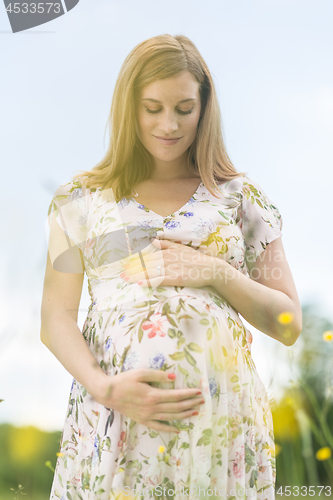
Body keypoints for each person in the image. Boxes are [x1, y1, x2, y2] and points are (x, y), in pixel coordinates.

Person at [41, 34, 302, 500]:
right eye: (152, 107)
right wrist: (106, 388)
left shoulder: (241, 198)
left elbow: (288, 323)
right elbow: (55, 318)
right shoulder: (78, 200)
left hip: (220, 426)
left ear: (205, 107)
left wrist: (212, 270)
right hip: (115, 415)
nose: (169, 124)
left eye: (184, 108)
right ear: (128, 108)